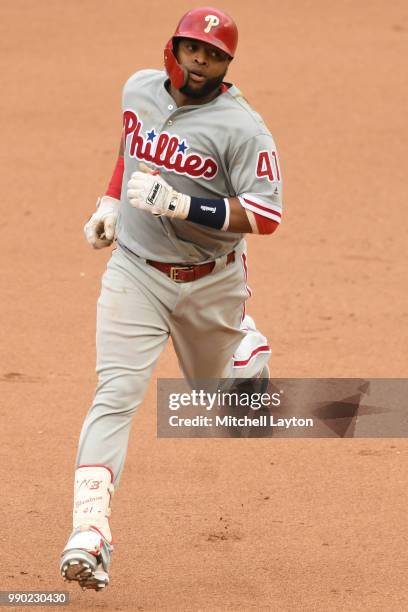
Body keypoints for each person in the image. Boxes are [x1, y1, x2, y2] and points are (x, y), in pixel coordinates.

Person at [60, 6, 283, 591]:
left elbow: (266, 216)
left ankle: (244, 349)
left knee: (225, 407)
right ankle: (90, 532)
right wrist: (111, 203)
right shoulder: (137, 88)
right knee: (115, 395)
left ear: (227, 64)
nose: (201, 62)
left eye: (213, 54)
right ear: (174, 48)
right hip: (134, 271)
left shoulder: (244, 129)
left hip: (210, 280)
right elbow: (132, 147)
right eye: (193, 49)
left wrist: (184, 205)